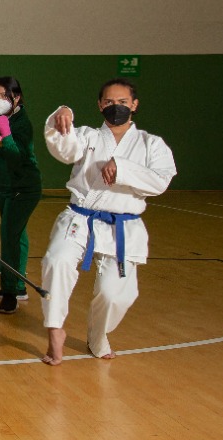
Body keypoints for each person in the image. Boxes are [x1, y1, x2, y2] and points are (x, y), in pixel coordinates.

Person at [40, 79, 176, 365]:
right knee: (57, 260)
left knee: (115, 295)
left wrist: (123, 169)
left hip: (124, 226)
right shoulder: (88, 137)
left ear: (135, 105)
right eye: (110, 102)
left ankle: (98, 335)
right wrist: (59, 115)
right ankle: (55, 329)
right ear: (100, 105)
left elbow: (161, 181)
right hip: (81, 216)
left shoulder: (152, 144)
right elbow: (64, 149)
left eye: (123, 103)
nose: (117, 107)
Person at [0, 76, 43, 315]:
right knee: (17, 234)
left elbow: (17, 157)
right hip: (4, 187)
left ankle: (11, 292)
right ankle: (18, 285)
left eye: (3, 96)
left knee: (9, 236)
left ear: (16, 97)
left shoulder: (23, 124)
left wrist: (7, 134)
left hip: (23, 188)